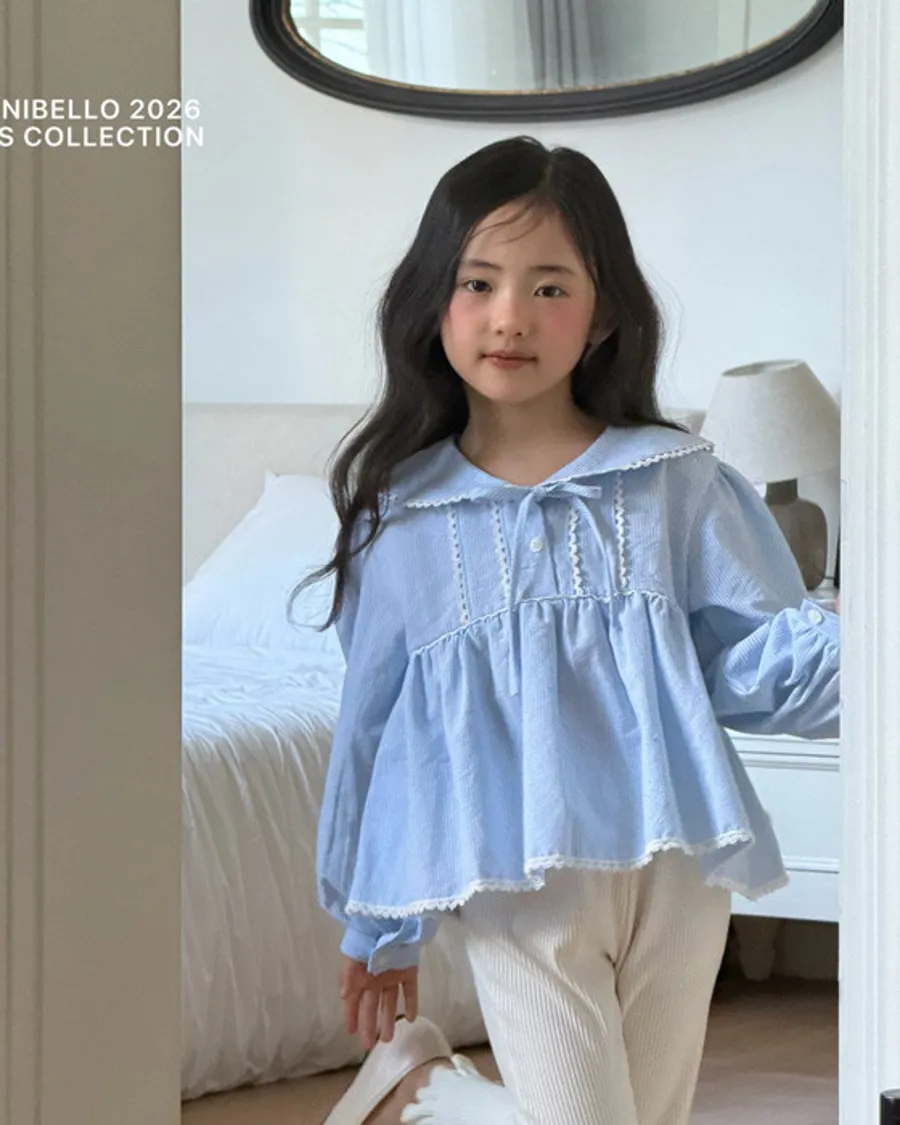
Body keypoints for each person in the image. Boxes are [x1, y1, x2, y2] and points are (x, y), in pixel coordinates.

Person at [297, 135, 841, 1125]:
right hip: (520, 876)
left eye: (550, 287)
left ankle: (428, 1091)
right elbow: (381, 732)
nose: (511, 315)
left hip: (679, 865)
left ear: (604, 314)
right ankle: (425, 1089)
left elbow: (753, 658)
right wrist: (377, 925)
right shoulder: (405, 520)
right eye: (478, 282)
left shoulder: (674, 481)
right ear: (433, 300)